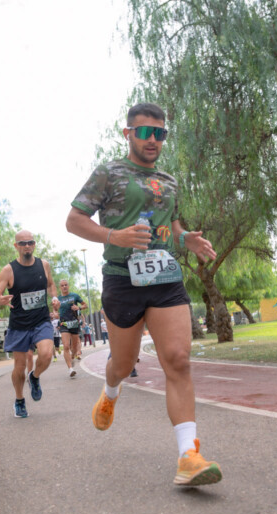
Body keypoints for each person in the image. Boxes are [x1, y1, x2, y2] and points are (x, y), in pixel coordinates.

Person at [66, 101, 222, 486]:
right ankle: (110, 392)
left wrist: (187, 240)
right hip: (122, 279)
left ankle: (188, 456)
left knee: (178, 360)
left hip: (165, 277)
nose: (153, 140)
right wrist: (113, 236)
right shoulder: (109, 173)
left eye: (160, 133)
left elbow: (172, 226)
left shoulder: (168, 180)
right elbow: (74, 220)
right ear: (128, 134)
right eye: (145, 132)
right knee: (123, 364)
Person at [0, 230, 60, 418]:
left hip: (41, 320)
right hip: (19, 325)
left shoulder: (44, 265)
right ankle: (19, 400)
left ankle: (34, 377)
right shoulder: (9, 270)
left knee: (46, 354)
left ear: (34, 244)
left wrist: (54, 298)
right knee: (19, 366)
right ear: (16, 246)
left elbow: (50, 285)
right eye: (22, 243)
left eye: (30, 242)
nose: (27, 246)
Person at [57, 279, 87, 377]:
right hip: (64, 323)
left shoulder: (74, 296)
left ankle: (73, 356)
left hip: (74, 323)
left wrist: (79, 308)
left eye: (66, 285)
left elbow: (85, 305)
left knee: (74, 347)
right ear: (60, 287)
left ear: (68, 286)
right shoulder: (58, 299)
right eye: (62, 285)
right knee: (66, 346)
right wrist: (55, 314)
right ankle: (70, 369)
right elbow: (55, 311)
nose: (64, 286)